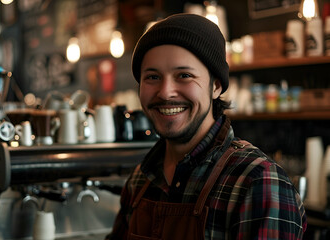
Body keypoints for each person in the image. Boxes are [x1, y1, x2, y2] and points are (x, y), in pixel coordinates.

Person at [107, 14, 306, 240]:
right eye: (152, 77)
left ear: (216, 86)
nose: (165, 92)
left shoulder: (258, 182)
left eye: (184, 75)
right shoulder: (139, 180)